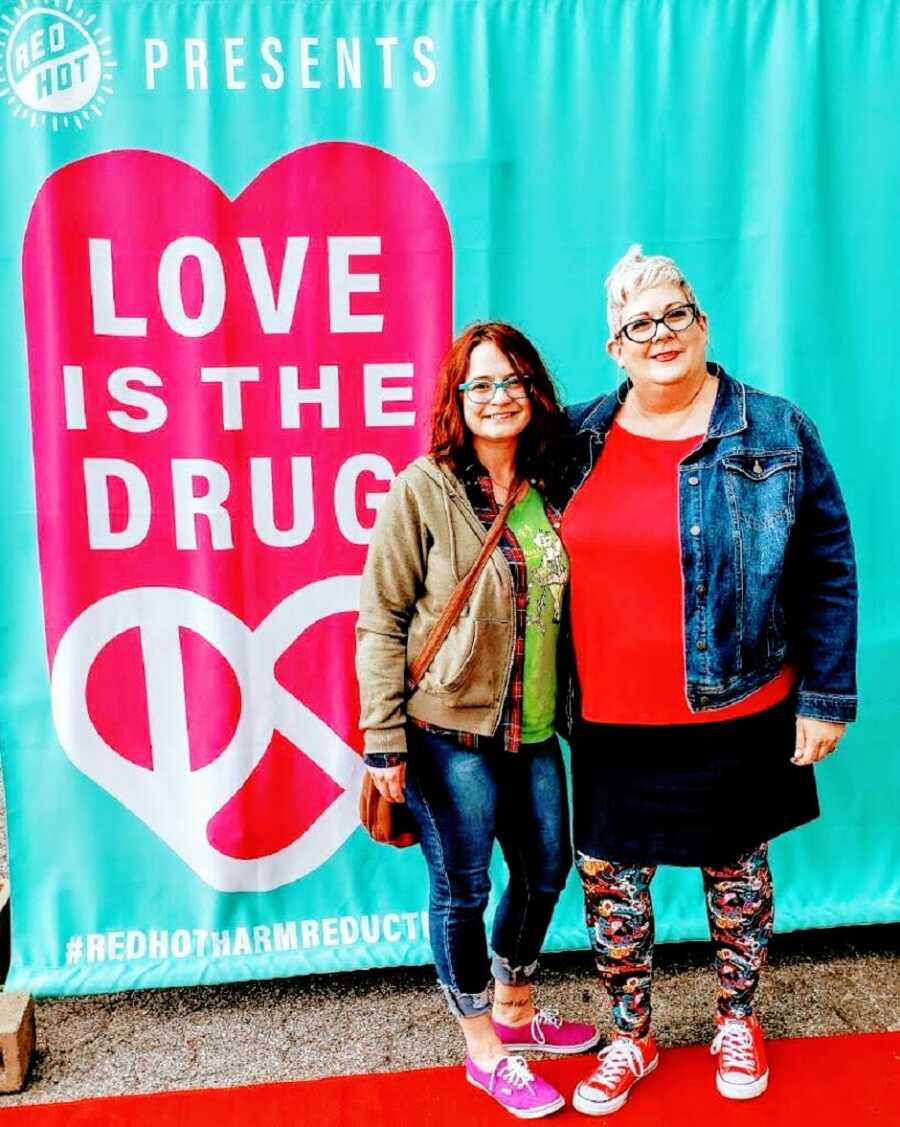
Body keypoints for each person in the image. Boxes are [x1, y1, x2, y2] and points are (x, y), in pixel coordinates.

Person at [559, 246, 857, 1116]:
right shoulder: (574, 437)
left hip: (740, 703)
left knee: (737, 875)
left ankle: (736, 1017)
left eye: (673, 316)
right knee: (612, 885)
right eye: (637, 324)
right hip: (609, 717)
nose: (659, 335)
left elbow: (827, 565)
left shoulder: (774, 429)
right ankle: (630, 1031)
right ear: (615, 346)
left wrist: (825, 695)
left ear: (703, 325)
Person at [356, 322, 598, 1118]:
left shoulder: (552, 483)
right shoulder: (422, 488)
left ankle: (517, 1012)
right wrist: (382, 739)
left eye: (512, 383)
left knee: (545, 869)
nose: (498, 399)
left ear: (534, 391)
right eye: (481, 386)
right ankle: (483, 1049)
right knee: (462, 886)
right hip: (442, 733)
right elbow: (381, 619)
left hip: (530, 731)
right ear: (457, 399)